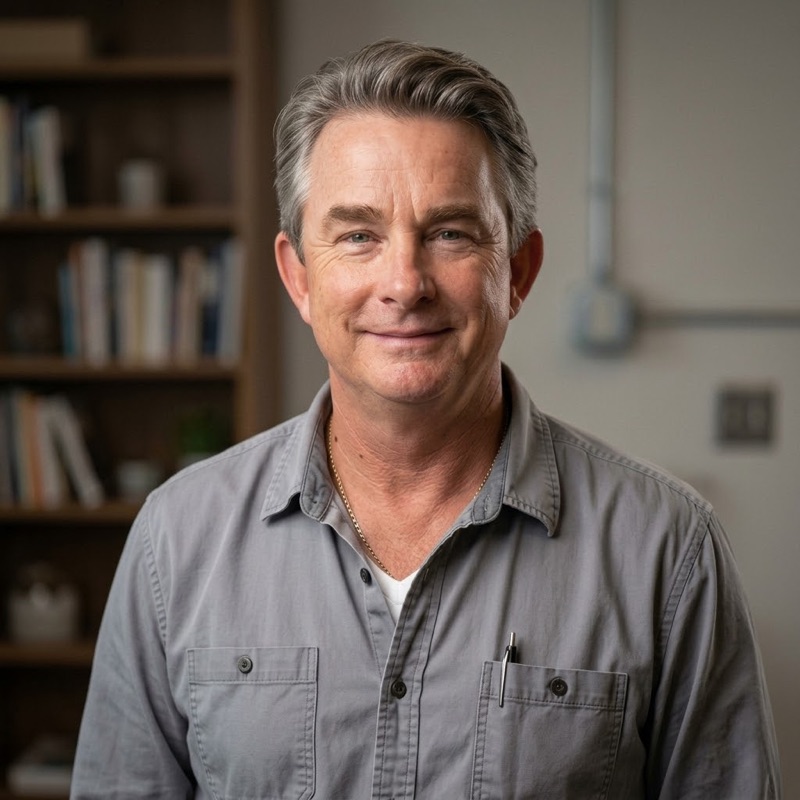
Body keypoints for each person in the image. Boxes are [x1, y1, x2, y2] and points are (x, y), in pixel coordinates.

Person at [71, 39, 781, 799]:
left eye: (450, 233)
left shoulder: (669, 553)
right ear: (298, 277)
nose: (404, 284)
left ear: (519, 272)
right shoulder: (176, 541)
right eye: (358, 236)